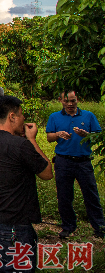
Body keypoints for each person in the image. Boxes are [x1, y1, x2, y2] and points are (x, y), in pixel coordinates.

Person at [0, 96, 53, 273]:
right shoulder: (21, 146)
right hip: (14, 227)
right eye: (21, 115)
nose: (23, 118)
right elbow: (46, 173)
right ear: (12, 116)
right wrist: (32, 139)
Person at [46, 89, 104, 238]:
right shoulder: (54, 117)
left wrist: (87, 135)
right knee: (64, 196)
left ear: (78, 99)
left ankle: (100, 228)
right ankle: (68, 226)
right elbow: (49, 137)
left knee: (91, 195)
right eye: (67, 101)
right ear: (61, 100)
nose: (70, 104)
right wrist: (58, 134)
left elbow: (98, 137)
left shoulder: (89, 116)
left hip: (83, 161)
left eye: (73, 100)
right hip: (63, 161)